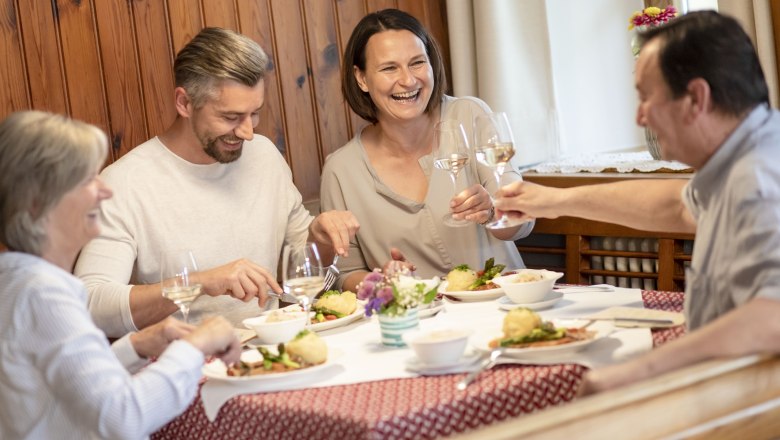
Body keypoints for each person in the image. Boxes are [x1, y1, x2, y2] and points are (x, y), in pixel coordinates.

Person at [493, 11, 780, 394]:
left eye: (646, 97)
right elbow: (677, 207)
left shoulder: (758, 179)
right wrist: (554, 200)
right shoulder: (742, 157)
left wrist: (639, 373)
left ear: (696, 98)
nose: (640, 116)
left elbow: (773, 316)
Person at [74, 27, 359, 337]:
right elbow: (91, 305)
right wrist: (199, 283)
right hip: (184, 358)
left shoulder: (264, 155)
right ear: (184, 103)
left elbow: (302, 280)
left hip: (271, 348)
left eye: (255, 114)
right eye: (230, 117)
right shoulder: (124, 183)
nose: (248, 132)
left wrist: (321, 243)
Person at [0, 110, 241, 439]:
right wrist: (196, 345)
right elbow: (122, 417)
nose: (106, 191)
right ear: (37, 203)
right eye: (87, 180)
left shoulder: (16, 282)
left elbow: (71, 392)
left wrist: (136, 347)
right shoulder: (44, 295)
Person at [320, 9, 534, 292]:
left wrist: (492, 212)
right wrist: (381, 281)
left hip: (504, 302)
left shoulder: (470, 115)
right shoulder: (341, 169)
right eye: (389, 68)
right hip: (417, 315)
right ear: (361, 78)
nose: (408, 80)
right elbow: (343, 273)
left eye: (417, 63)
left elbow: (523, 220)